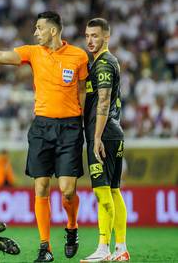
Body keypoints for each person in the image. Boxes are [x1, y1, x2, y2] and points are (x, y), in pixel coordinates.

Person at [0, 11, 89, 262]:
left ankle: (72, 226)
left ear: (53, 30)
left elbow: (83, 93)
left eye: (39, 28)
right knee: (41, 186)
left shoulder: (78, 56)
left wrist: (85, 124)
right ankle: (45, 247)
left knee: (67, 191)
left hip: (70, 128)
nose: (35, 32)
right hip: (42, 127)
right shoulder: (33, 52)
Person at [81, 18, 130, 262]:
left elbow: (103, 100)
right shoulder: (109, 62)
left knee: (102, 192)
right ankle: (121, 248)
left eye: (95, 36)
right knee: (114, 190)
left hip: (103, 133)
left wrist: (96, 137)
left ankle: (104, 248)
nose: (90, 40)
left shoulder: (102, 64)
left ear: (106, 37)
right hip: (114, 131)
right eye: (87, 35)